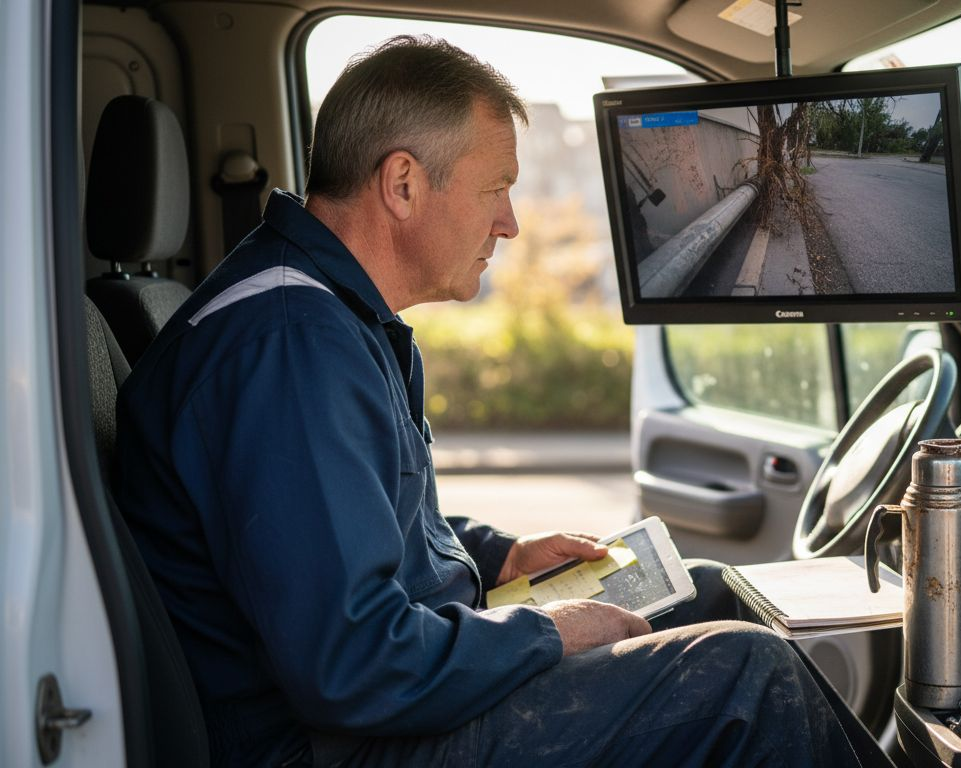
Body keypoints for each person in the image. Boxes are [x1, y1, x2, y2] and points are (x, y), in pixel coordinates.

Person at [116, 35, 880, 767]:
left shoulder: (327, 314)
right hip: (334, 747)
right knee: (746, 675)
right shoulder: (288, 343)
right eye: (496, 189)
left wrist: (498, 556)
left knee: (709, 589)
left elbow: (348, 521)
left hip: (370, 705)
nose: (510, 223)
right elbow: (354, 667)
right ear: (404, 183)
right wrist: (546, 632)